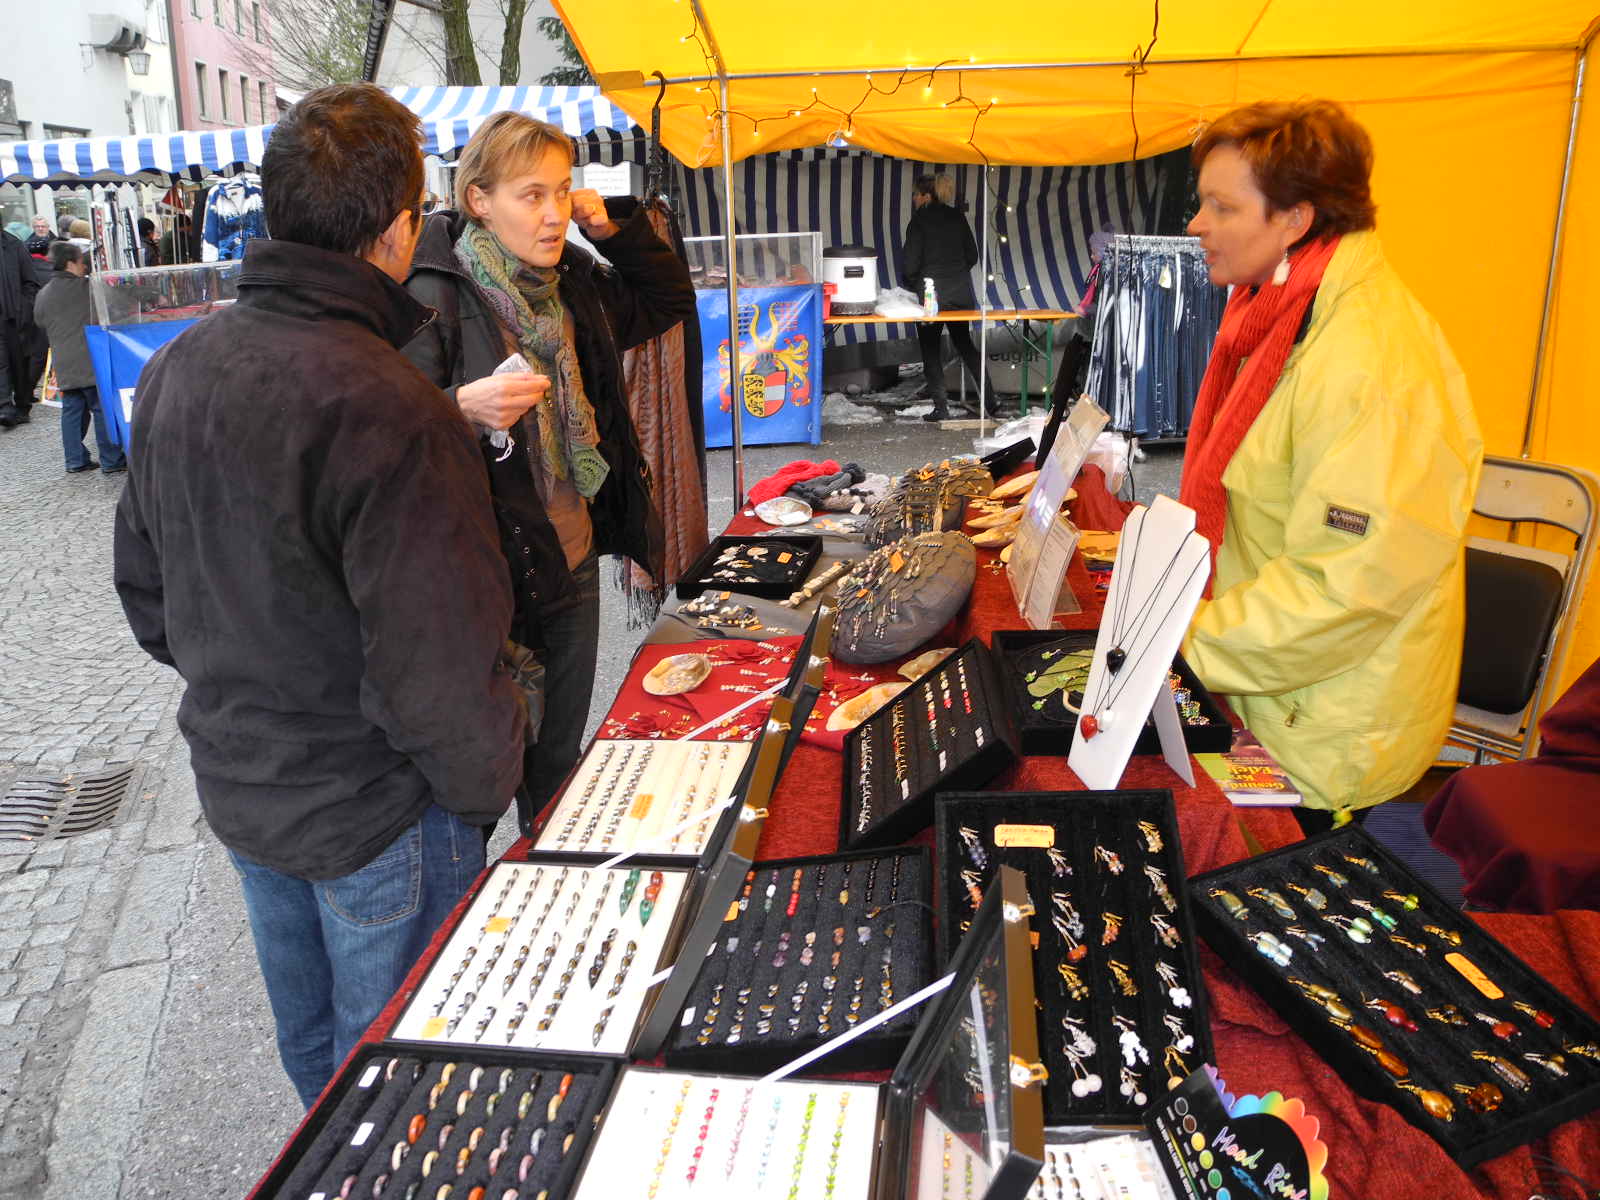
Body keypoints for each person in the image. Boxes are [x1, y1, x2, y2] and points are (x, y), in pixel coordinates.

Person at [112, 83, 527, 1108]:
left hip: (249, 783)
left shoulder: (176, 368)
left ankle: (336, 1167)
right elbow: (438, 661)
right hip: (374, 807)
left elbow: (150, 599)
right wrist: (477, 794)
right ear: (396, 230)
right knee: (396, 1070)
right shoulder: (392, 404)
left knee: (320, 1058)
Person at [1177, 99, 1483, 833]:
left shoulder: (1368, 361)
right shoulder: (1284, 313)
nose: (1196, 225)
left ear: (1295, 219)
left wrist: (1180, 644)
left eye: (1222, 207)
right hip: (1273, 686)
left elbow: (1343, 587)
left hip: (1319, 721)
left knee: (1270, 876)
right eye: (1202, 202)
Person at [401, 111, 695, 834]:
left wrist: (613, 230)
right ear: (479, 199)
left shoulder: (574, 283)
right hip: (484, 580)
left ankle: (545, 874)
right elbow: (387, 430)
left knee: (557, 762)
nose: (555, 213)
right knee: (478, 778)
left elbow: (668, 301)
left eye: (563, 191)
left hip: (570, 558)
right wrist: (458, 407)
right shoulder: (431, 294)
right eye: (532, 195)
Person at [901, 172, 991, 421]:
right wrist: (955, 275)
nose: (914, 199)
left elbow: (910, 264)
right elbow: (972, 255)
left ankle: (941, 408)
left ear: (926, 196)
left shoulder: (919, 221)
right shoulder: (957, 217)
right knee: (965, 345)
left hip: (931, 297)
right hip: (960, 294)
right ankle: (991, 401)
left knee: (930, 350)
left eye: (916, 194)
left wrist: (913, 283)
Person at [32, 241, 126, 474]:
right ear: (70, 263)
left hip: (63, 363)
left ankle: (75, 460)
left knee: (72, 410)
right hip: (90, 361)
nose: (85, 266)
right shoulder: (88, 288)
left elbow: (39, 321)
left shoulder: (44, 293)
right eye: (82, 262)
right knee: (101, 409)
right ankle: (111, 460)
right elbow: (119, 304)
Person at [0, 225, 40, 428]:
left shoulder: (14, 245)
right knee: (2, 363)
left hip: (15, 316)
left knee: (20, 362)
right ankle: (5, 406)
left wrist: (24, 307)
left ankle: (22, 405)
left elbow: (30, 281)